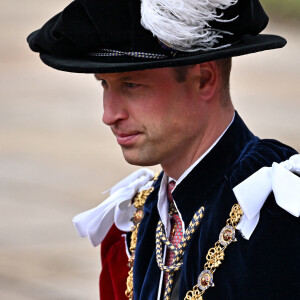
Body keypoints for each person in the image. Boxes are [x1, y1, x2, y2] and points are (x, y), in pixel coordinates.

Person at [27, 0, 299, 299]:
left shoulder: (279, 215)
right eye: (104, 84)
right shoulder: (132, 225)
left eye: (131, 85)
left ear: (204, 79)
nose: (109, 115)